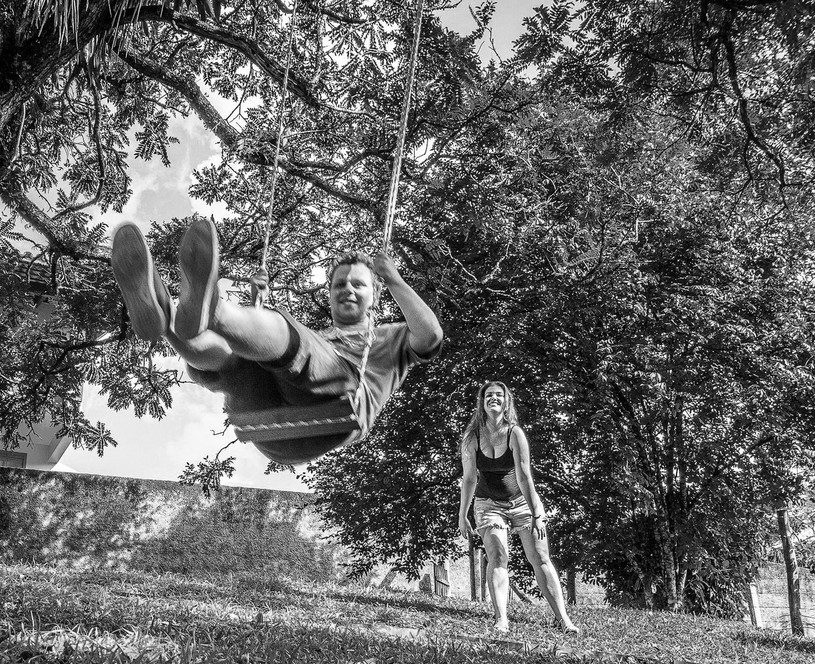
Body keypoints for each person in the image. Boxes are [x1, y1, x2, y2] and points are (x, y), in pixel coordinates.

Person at [110, 217, 443, 465]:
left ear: (377, 294)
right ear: (328, 294)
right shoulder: (323, 337)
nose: (348, 289)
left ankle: (212, 310)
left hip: (333, 415)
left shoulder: (390, 336)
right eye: (340, 284)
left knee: (295, 342)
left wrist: (395, 279)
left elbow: (430, 334)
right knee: (237, 361)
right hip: (265, 426)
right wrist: (256, 308)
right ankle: (165, 322)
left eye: (359, 284)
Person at [457, 381, 579, 634]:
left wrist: (537, 512)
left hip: (521, 502)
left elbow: (525, 477)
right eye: (488, 395)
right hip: (488, 503)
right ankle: (501, 619)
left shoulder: (515, 433)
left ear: (506, 402)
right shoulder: (472, 437)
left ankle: (563, 620)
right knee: (498, 556)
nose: (493, 398)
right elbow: (469, 479)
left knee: (540, 557)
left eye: (498, 395)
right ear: (482, 402)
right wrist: (463, 514)